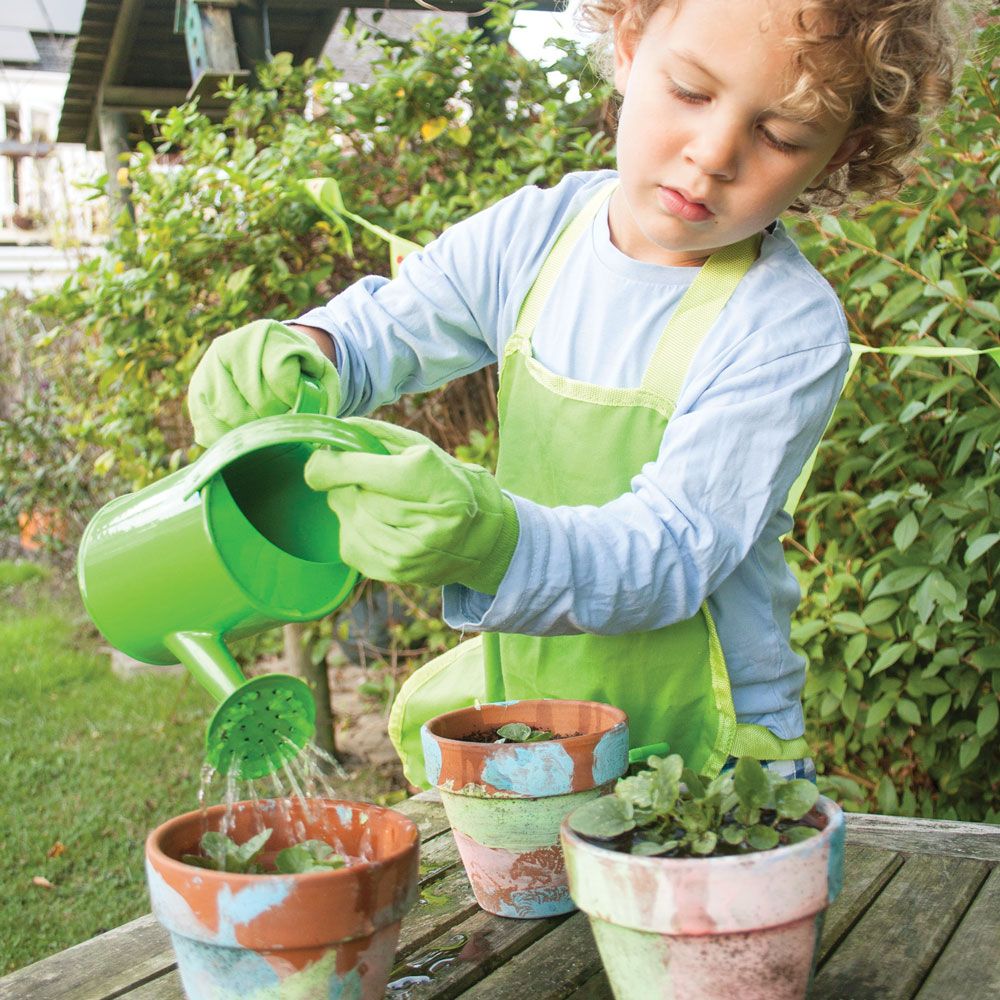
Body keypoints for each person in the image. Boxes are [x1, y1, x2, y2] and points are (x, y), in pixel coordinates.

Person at [187, 0, 968, 786]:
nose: (713, 155)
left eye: (782, 136)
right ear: (630, 45)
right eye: (693, 93)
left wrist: (493, 544)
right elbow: (387, 329)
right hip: (534, 716)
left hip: (712, 755)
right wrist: (306, 351)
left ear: (840, 155)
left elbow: (672, 553)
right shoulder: (533, 236)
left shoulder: (784, 327)